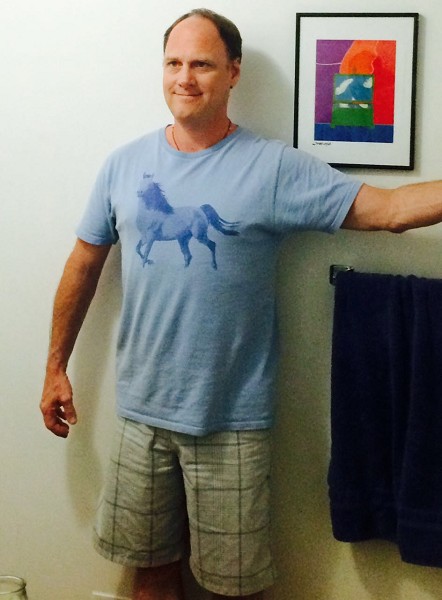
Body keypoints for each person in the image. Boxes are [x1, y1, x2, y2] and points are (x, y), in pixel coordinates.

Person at [40, 8, 442, 600]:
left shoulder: (272, 168)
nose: (184, 78)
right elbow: (83, 264)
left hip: (230, 420)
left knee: (236, 589)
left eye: (201, 64)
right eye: (173, 63)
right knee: (149, 575)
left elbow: (389, 211)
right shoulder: (123, 165)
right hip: (141, 412)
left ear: (233, 72)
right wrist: (55, 367)